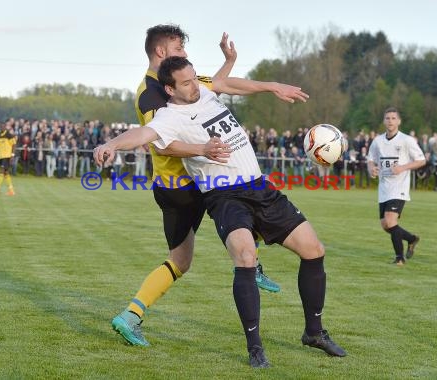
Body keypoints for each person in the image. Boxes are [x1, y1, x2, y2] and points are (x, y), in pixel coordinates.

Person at [94, 56, 345, 368]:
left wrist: (271, 86)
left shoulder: (205, 91)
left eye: (194, 78)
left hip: (260, 189)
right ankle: (255, 349)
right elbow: (142, 135)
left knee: (314, 250)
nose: (194, 86)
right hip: (225, 198)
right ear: (170, 90)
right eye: (186, 83)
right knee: (245, 257)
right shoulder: (169, 117)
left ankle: (314, 332)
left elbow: (232, 84)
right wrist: (111, 145)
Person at [108, 25, 280, 347]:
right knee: (240, 202)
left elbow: (214, 88)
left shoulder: (176, 82)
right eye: (178, 48)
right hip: (183, 186)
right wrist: (203, 150)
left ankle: (131, 315)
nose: (185, 53)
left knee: (184, 257)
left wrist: (232, 65)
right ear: (161, 52)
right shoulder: (153, 93)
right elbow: (161, 143)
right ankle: (252, 266)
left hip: (190, 181)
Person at [367, 108, 425, 266]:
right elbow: (370, 159)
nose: (390, 121)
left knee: (390, 221)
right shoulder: (378, 141)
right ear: (384, 121)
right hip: (384, 188)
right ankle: (412, 239)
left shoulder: (406, 140)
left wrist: (403, 167)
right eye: (387, 118)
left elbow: (421, 160)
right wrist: (371, 168)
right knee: (386, 225)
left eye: (393, 118)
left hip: (399, 187)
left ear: (399, 121)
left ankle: (400, 258)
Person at [0, 122, 17, 196]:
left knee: (1, 172)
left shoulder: (9, 135)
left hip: (7, 157)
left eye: (3, 127)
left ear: (5, 127)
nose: (2, 128)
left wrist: (12, 155)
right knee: (6, 173)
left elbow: (14, 145)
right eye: (0, 127)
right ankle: (11, 190)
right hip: (1, 157)